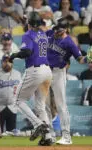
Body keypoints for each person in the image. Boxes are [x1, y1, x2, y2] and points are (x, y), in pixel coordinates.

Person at [45, 17, 92, 145]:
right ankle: (49, 135)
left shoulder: (69, 42)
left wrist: (89, 57)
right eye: (55, 29)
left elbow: (80, 59)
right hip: (45, 71)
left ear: (65, 29)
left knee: (61, 105)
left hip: (59, 73)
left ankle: (66, 136)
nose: (56, 32)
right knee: (45, 105)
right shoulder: (50, 33)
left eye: (59, 30)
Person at [9, 12, 53, 146]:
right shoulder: (43, 34)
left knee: (17, 100)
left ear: (29, 23)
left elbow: (26, 52)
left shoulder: (28, 35)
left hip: (35, 70)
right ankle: (48, 137)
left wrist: (13, 55)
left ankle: (38, 124)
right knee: (40, 107)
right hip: (47, 71)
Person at [0, 54, 21, 133]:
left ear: (12, 63)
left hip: (12, 107)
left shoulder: (18, 74)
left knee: (11, 133)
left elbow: (20, 89)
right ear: (1, 62)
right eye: (5, 61)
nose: (7, 63)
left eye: (9, 61)